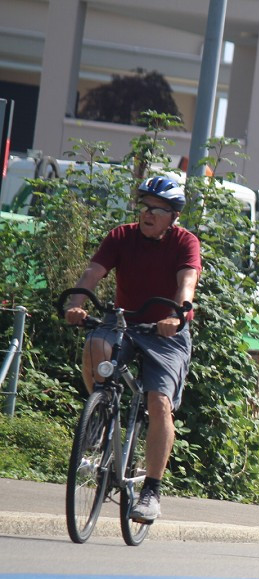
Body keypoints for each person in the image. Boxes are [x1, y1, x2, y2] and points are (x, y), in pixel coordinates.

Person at [63, 176, 201, 523]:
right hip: (124, 321)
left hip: (166, 332)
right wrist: (76, 304)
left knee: (159, 403)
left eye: (157, 209)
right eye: (144, 206)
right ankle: (102, 417)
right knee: (96, 344)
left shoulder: (186, 242)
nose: (147, 214)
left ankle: (151, 491)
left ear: (174, 216)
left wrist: (177, 313)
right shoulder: (121, 236)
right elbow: (92, 273)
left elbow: (187, 283)